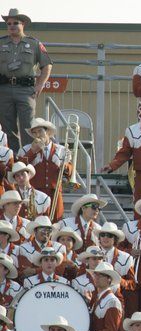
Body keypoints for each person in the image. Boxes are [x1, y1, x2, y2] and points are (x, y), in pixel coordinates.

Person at [0, 9, 52, 153]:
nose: (11, 26)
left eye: (15, 23)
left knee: (28, 127)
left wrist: (40, 84)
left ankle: (29, 158)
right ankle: (13, 161)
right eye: (8, 23)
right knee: (7, 127)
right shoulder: (1, 43)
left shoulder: (34, 43)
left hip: (25, 90)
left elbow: (47, 64)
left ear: (23, 24)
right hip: (4, 89)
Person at [17, 118, 71, 221]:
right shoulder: (25, 149)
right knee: (36, 222)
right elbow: (19, 168)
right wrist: (33, 151)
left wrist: (65, 166)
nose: (37, 135)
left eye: (40, 131)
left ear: (47, 132)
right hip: (34, 193)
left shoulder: (61, 149)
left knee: (56, 222)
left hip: (55, 193)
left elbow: (69, 173)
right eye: (34, 132)